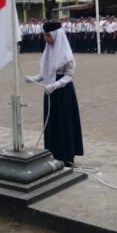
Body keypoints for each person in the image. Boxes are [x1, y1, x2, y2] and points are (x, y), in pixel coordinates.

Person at [25, 21, 83, 165]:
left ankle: (67, 155)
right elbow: (45, 72)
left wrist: (55, 85)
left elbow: (69, 75)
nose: (47, 39)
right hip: (51, 92)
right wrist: (34, 78)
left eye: (49, 36)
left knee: (64, 123)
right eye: (45, 36)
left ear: (56, 36)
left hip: (63, 93)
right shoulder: (49, 51)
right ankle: (54, 153)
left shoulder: (65, 53)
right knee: (51, 123)